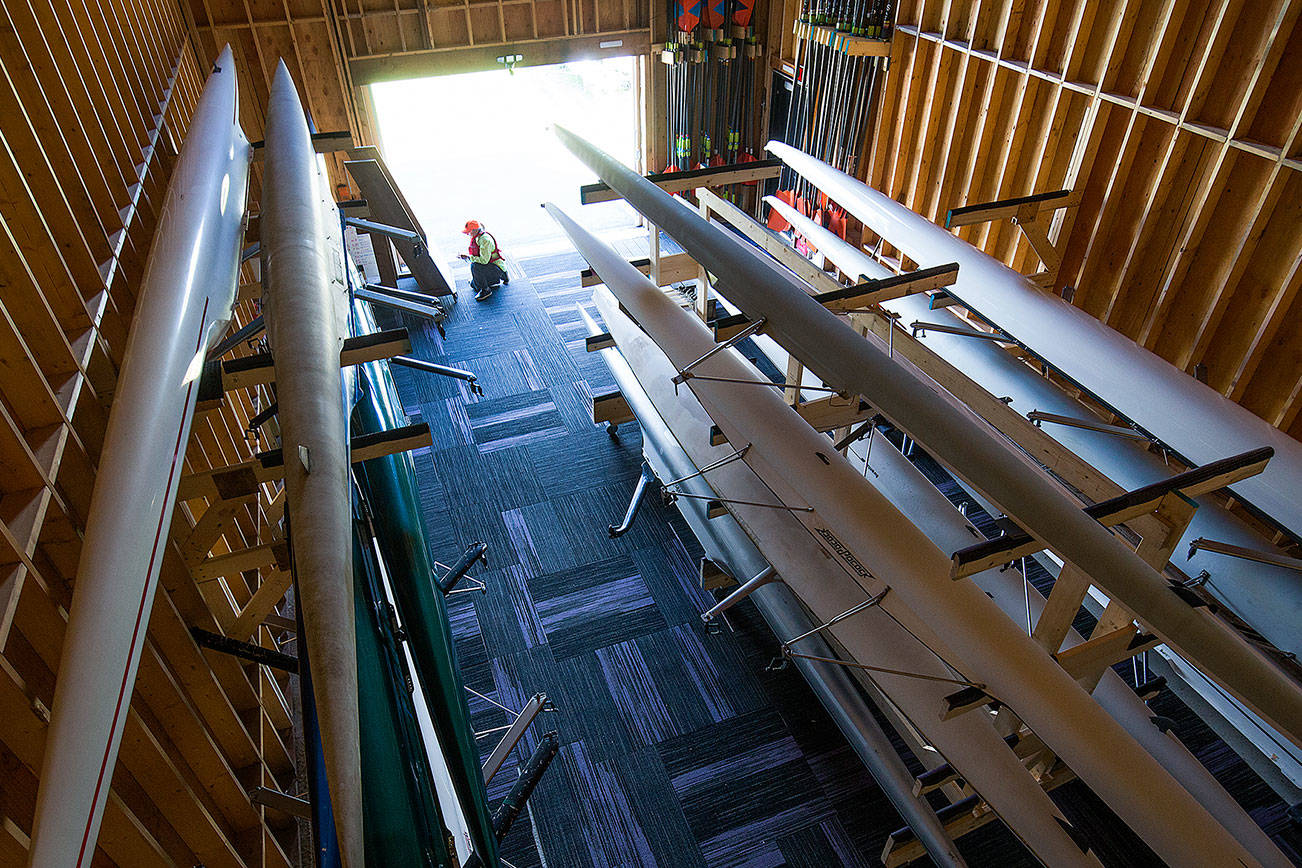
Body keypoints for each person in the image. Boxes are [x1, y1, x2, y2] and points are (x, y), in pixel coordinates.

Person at [459, 219, 510, 301]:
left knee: (474, 266)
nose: (468, 234)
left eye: (469, 232)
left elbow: (484, 261)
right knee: (473, 284)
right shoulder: (479, 236)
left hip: (496, 269)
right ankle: (501, 277)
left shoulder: (485, 240)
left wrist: (469, 257)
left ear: (475, 230)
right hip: (494, 266)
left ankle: (486, 290)